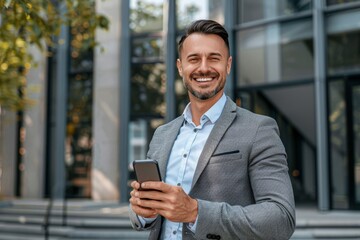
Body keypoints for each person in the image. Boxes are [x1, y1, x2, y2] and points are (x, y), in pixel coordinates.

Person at [129, 19, 295, 240]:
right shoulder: (162, 134)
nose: (204, 67)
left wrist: (195, 212)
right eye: (194, 59)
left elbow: (281, 219)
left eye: (214, 58)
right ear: (180, 67)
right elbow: (154, 218)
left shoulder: (259, 130)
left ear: (228, 65)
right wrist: (144, 213)